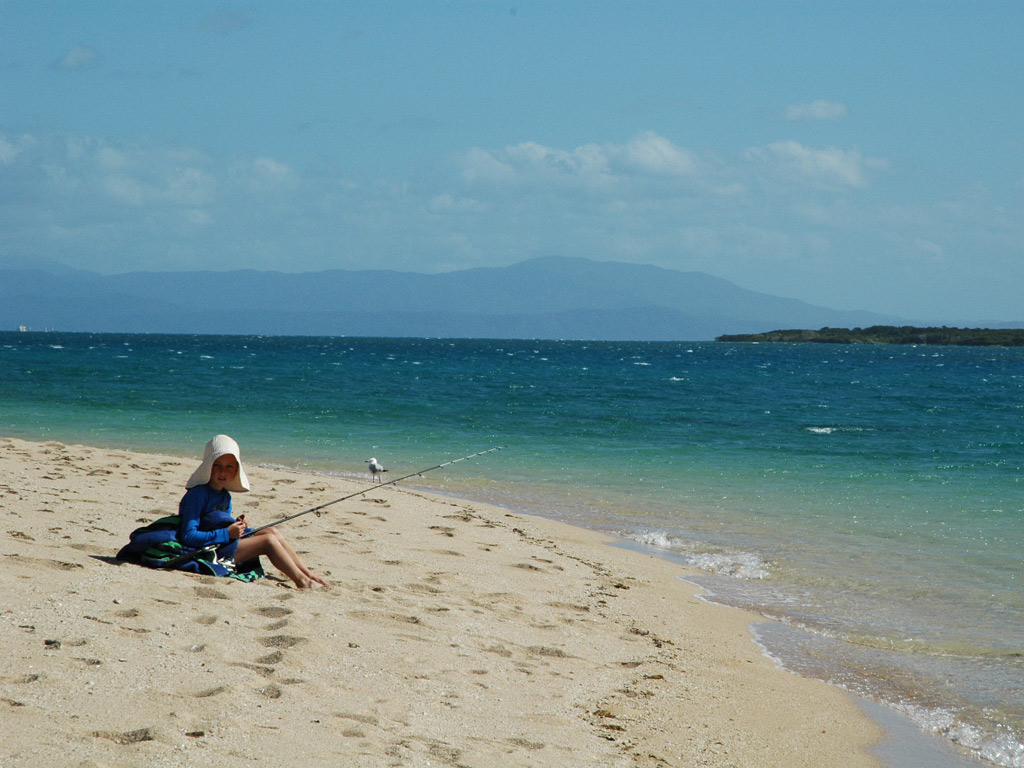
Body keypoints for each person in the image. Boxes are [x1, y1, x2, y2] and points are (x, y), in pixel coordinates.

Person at [179, 434, 327, 589]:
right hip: (205, 553)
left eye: (229, 466)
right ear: (208, 466)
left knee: (272, 531)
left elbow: (215, 523)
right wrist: (227, 533)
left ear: (236, 470)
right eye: (217, 465)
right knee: (268, 540)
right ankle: (302, 582)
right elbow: (188, 536)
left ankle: (308, 574)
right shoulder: (198, 494)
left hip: (221, 543)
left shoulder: (224, 495)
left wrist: (237, 524)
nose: (222, 472)